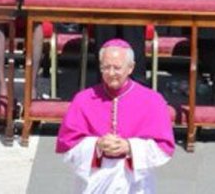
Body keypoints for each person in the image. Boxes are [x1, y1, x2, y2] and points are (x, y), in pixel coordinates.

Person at [56, 39, 174, 193]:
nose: (111, 73)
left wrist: (130, 147)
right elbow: (67, 145)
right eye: (106, 67)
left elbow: (164, 149)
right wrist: (96, 145)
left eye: (117, 68)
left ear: (130, 68)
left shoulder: (152, 100)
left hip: (135, 182)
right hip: (94, 179)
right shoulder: (83, 99)